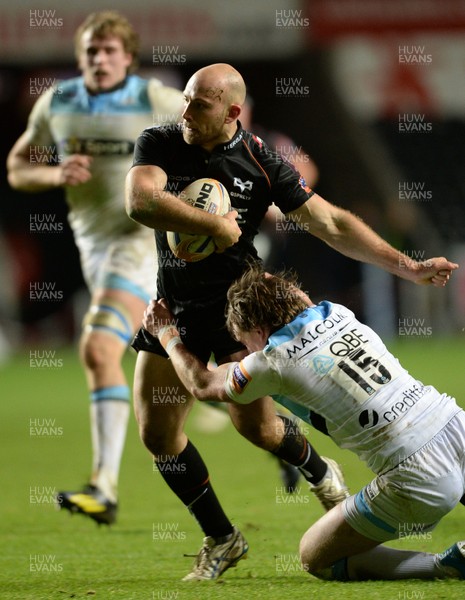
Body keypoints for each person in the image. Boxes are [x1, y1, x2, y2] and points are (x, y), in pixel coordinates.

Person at [125, 62, 458, 581]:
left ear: (233, 111)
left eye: (200, 104)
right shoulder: (161, 141)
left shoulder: (260, 160)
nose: (185, 111)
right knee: (156, 435)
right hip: (173, 306)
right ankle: (222, 538)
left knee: (255, 428)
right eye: (185, 99)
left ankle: (319, 470)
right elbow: (140, 201)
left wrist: (407, 266)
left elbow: (328, 221)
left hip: (243, 313)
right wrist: (215, 224)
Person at [142, 262, 465, 582]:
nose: (247, 351)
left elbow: (202, 385)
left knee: (315, 557)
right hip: (455, 424)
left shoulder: (272, 362)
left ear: (258, 331)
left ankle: (444, 564)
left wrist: (167, 334)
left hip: (418, 475)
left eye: (246, 343)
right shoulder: (337, 313)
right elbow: (294, 295)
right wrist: (256, 277)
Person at [6, 11, 185, 525]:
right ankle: (295, 453)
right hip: (95, 250)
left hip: (142, 246)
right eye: (90, 51)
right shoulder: (58, 103)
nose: (99, 59)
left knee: (98, 346)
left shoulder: (158, 101)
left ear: (128, 57)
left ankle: (103, 486)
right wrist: (54, 172)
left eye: (109, 51)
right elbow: (18, 166)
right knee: (191, 367)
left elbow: (221, 128)